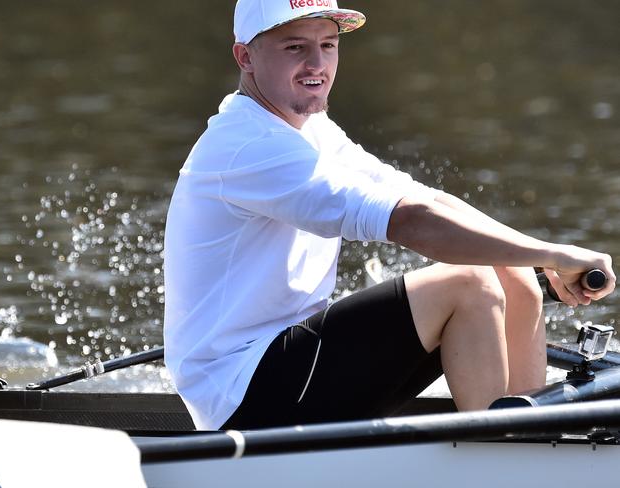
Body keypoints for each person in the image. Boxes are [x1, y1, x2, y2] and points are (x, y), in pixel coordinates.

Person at [163, 0, 616, 431]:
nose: (317, 65)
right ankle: (502, 457)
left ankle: (527, 433)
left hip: (293, 368)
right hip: (242, 400)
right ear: (245, 56)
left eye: (327, 45)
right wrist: (554, 253)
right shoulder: (247, 147)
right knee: (469, 282)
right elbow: (411, 222)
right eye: (294, 47)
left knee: (510, 273)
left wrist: (541, 258)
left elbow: (429, 200)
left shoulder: (311, 130)